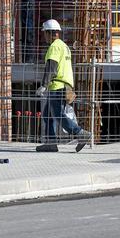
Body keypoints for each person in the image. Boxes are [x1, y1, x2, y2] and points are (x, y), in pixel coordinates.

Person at [37, 19, 90, 152]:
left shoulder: (54, 46)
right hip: (65, 85)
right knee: (47, 114)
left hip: (57, 86)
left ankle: (80, 133)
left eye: (45, 33)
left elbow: (51, 67)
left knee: (58, 115)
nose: (44, 36)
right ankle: (51, 143)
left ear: (50, 33)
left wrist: (44, 84)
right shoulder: (64, 46)